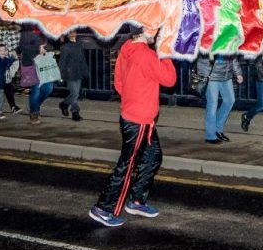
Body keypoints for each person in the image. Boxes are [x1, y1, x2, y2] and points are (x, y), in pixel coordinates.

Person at [89, 27, 177, 227]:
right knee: (127, 166)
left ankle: (136, 201)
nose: (155, 32)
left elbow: (119, 83)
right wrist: (166, 53)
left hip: (137, 117)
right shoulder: (146, 54)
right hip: (139, 120)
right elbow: (170, 79)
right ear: (144, 30)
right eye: (153, 28)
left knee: (153, 157)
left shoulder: (127, 47)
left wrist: (133, 96)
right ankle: (103, 208)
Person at [196, 53, 241, 144]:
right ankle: (210, 135)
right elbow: (201, 58)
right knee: (212, 104)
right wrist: (205, 74)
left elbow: (233, 57)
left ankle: (217, 129)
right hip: (212, 76)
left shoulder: (229, 39)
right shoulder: (208, 39)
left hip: (226, 75)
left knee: (230, 101)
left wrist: (238, 73)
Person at [57, 32, 87, 121]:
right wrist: (61, 75)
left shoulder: (79, 44)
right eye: (71, 32)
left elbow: (82, 59)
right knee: (75, 93)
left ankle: (64, 104)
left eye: (74, 31)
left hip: (78, 71)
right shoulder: (65, 47)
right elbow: (62, 62)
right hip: (70, 73)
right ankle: (75, 112)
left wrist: (85, 71)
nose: (74, 33)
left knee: (75, 93)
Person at [29, 40, 60, 123]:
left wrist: (46, 48)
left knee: (48, 89)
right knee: (36, 91)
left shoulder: (47, 35)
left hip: (46, 71)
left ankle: (35, 106)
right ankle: (34, 112)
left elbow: (52, 47)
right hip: (34, 70)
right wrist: (37, 50)